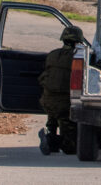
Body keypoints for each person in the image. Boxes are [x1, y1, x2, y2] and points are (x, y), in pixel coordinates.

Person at [38, 25, 83, 155]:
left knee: (52, 116)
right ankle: (53, 140)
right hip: (65, 104)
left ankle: (50, 134)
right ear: (78, 41)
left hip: (47, 100)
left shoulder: (52, 55)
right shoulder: (77, 58)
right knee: (71, 148)